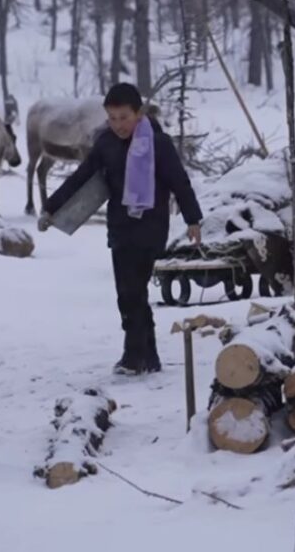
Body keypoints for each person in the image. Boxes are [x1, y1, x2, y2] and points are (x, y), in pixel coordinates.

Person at [39, 83, 203, 375]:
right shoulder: (105, 144)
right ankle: (148, 356)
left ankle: (132, 355)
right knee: (128, 293)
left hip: (150, 226)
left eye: (124, 117)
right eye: (112, 118)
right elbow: (82, 176)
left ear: (138, 113)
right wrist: (52, 207)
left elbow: (180, 182)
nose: (118, 125)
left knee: (133, 291)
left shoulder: (158, 144)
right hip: (120, 226)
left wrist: (193, 219)